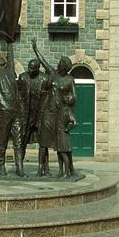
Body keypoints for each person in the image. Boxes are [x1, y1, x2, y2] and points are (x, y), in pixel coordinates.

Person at [31, 39, 79, 179]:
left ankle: (67, 170)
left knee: (62, 145)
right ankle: (41, 168)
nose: (57, 64)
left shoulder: (69, 80)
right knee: (43, 142)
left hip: (60, 115)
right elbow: (43, 61)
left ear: (65, 67)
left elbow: (75, 97)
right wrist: (35, 49)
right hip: (48, 112)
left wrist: (69, 104)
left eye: (60, 63)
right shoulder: (52, 73)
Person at [0, 31, 26, 177]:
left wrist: (10, 36)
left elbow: (11, 53)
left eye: (1, 58)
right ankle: (1, 166)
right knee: (2, 140)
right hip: (3, 111)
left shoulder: (10, 70)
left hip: (16, 111)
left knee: (19, 141)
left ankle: (19, 168)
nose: (0, 58)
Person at [18, 58, 49, 176]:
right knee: (22, 140)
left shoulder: (45, 79)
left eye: (32, 68)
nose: (29, 70)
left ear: (38, 69)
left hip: (41, 115)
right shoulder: (22, 78)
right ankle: (19, 166)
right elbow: (17, 95)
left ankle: (42, 167)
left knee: (43, 142)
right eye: (29, 68)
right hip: (26, 115)